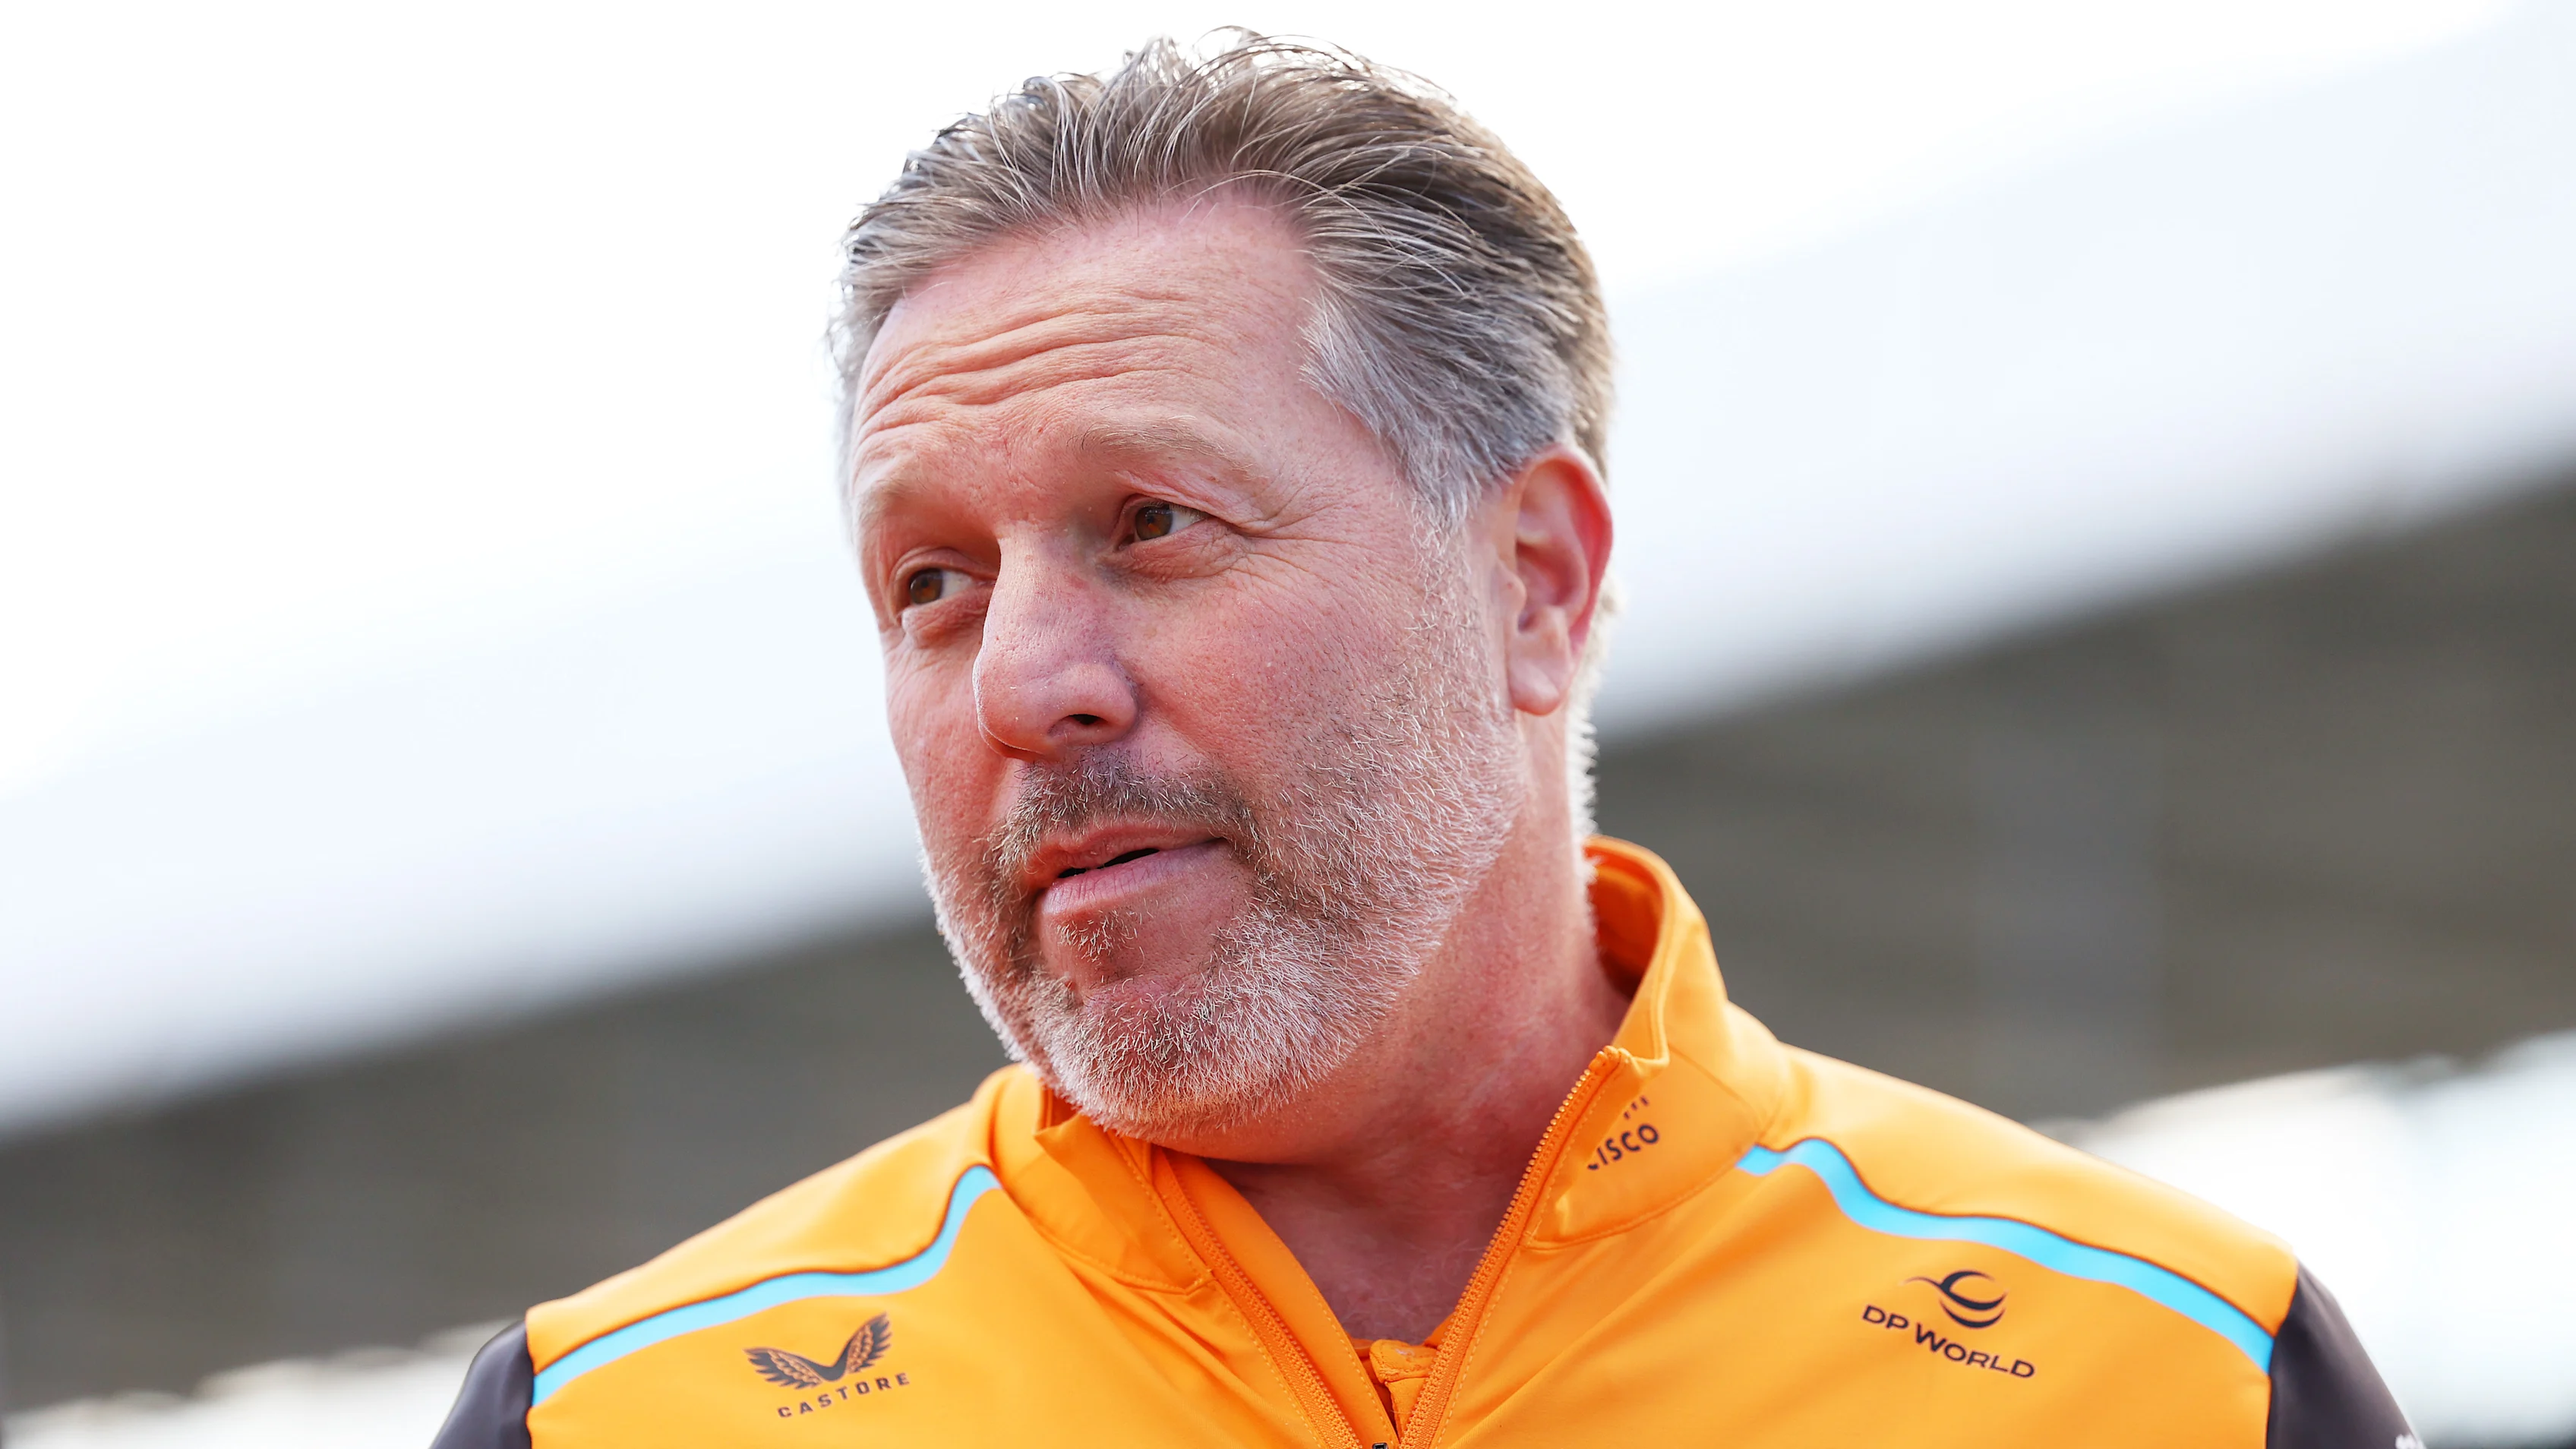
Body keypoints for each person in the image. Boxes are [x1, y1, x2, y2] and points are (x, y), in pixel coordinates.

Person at [434, 36, 2412, 1449]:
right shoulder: (621, 1415)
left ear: (1535, 578)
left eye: (1151, 523)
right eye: (931, 582)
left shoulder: (2175, 1374)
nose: (1027, 684)